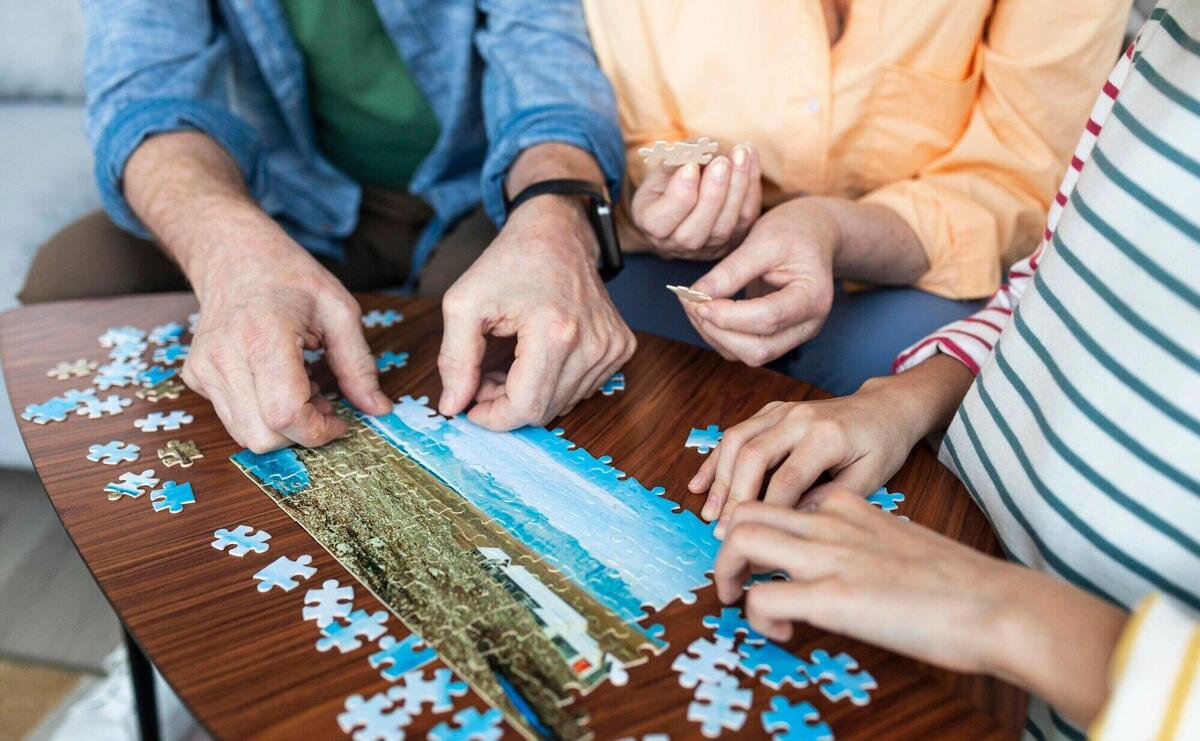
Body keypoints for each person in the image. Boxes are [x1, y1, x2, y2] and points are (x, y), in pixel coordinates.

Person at [693, 3, 1200, 737]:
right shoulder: (1172, 31)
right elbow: (1050, 282)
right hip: (926, 553)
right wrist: (901, 401)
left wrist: (999, 609)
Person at [19, 0, 635, 451]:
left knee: (500, 359)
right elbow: (143, 97)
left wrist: (557, 220)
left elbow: (547, 65)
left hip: (482, 193)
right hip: (287, 201)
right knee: (72, 277)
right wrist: (229, 254)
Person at [583, 0, 1130, 394]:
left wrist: (832, 229)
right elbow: (638, 140)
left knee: (924, 384)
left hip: (909, 275)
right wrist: (674, 196)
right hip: (671, 267)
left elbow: (1015, 179)